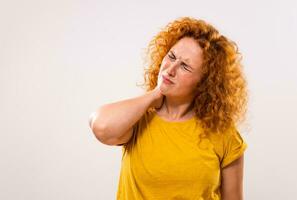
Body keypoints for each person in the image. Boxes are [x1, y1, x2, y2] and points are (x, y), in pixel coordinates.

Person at [89, 16, 248, 200]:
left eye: (185, 66)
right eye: (171, 56)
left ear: (205, 83)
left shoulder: (223, 134)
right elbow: (101, 127)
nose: (170, 69)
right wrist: (156, 94)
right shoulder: (139, 117)